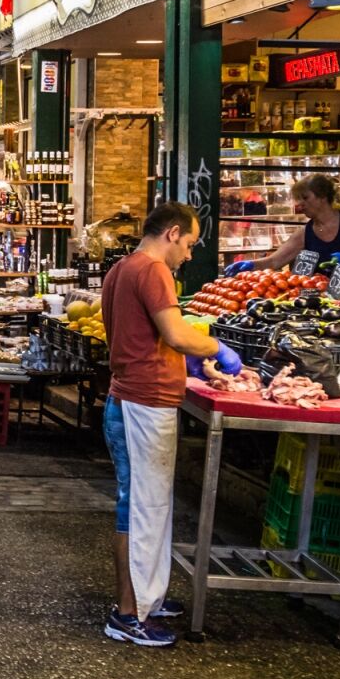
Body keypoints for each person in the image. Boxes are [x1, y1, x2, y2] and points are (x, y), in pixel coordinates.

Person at [102, 202, 243, 649]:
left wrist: (190, 367)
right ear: (173, 233)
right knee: (141, 509)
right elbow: (177, 334)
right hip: (142, 404)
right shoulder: (153, 271)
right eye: (189, 244)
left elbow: (143, 339)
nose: (189, 254)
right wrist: (215, 346)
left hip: (133, 396)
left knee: (148, 507)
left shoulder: (121, 269)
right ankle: (128, 614)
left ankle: (149, 597)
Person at [222, 174, 340, 284]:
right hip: (330, 301)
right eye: (298, 199)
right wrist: (250, 264)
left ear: (323, 197)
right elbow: (274, 260)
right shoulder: (305, 233)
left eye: (305, 198)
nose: (300, 204)